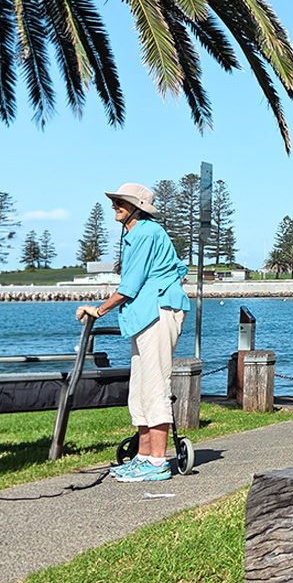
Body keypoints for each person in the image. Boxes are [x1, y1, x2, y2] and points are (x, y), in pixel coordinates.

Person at [76, 183, 190, 482]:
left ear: (137, 208)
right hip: (146, 314)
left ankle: (157, 463)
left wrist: (98, 310)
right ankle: (143, 457)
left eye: (120, 202)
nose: (114, 206)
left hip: (158, 309)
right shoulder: (136, 233)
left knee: (155, 385)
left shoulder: (146, 233)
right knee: (140, 387)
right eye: (115, 201)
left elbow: (130, 286)